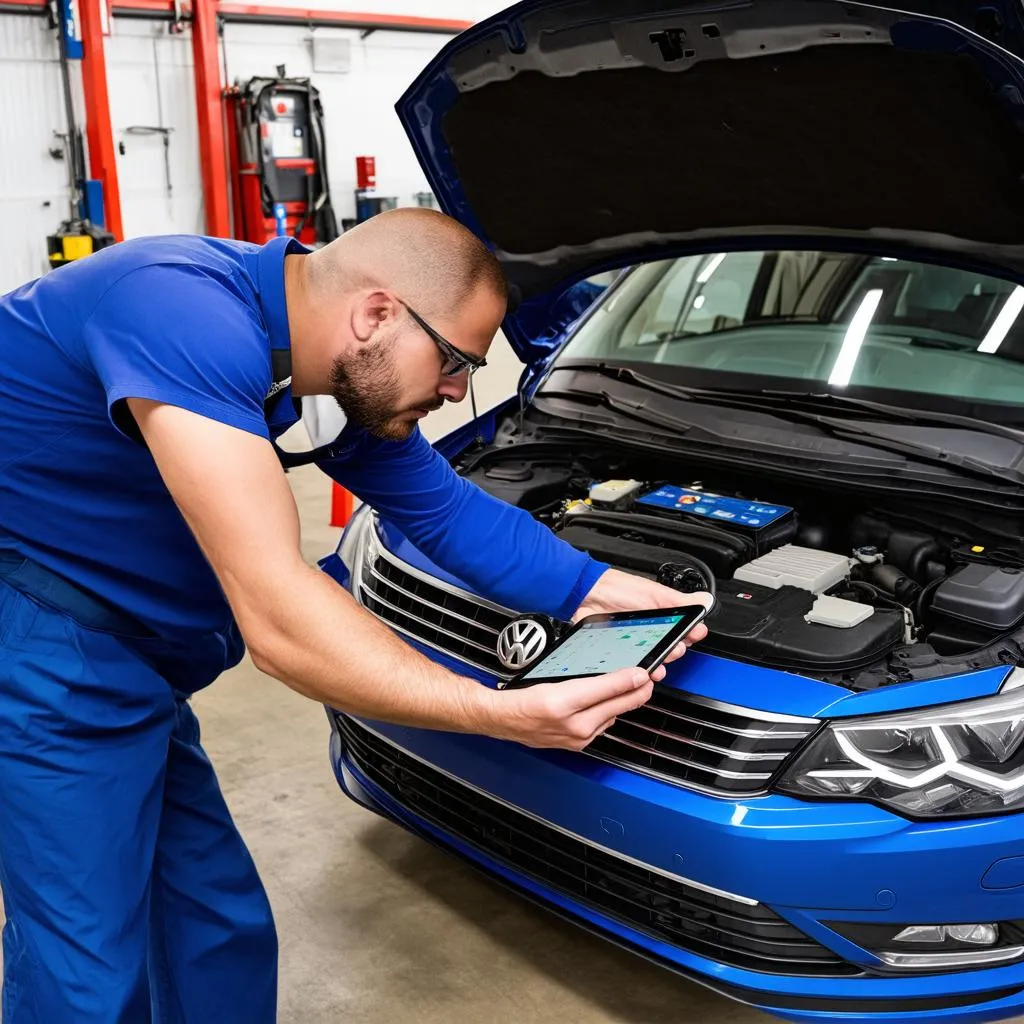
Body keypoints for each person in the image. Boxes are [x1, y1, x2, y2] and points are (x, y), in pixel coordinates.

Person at [0, 207, 709, 1022]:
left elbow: (446, 512)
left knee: (213, 924)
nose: (457, 391)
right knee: (84, 966)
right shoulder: (175, 310)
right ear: (377, 312)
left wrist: (599, 589)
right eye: (455, 362)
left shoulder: (320, 369)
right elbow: (278, 616)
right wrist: (491, 711)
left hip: (138, 656)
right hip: (44, 645)